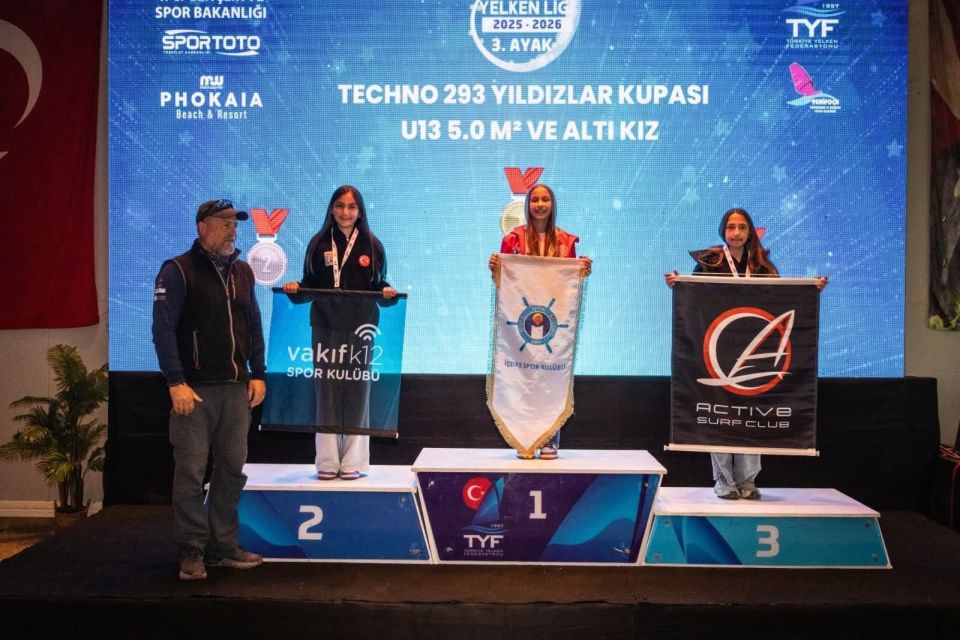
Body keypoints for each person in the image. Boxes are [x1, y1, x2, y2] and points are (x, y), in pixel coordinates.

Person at [665, 207, 827, 500]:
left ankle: (747, 481)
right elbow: (694, 297)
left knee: (751, 415)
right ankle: (723, 480)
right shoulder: (709, 263)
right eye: (731, 227)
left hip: (754, 349)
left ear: (750, 231)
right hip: (718, 352)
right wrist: (678, 284)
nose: (736, 233)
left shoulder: (762, 265)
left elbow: (782, 299)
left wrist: (812, 288)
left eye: (742, 227)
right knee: (718, 415)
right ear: (723, 231)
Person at [152, 198, 267, 580]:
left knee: (231, 470)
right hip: (194, 392)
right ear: (203, 226)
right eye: (225, 223)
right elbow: (163, 331)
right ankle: (191, 549)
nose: (233, 230)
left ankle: (223, 546)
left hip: (236, 390)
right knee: (190, 472)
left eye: (235, 224)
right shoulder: (177, 270)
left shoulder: (243, 271)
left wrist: (258, 373)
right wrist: (176, 382)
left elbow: (253, 324)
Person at [282, 185, 397, 481]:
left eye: (351, 207)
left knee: (358, 391)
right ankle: (327, 461)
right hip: (325, 326)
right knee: (327, 391)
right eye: (340, 206)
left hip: (361, 329)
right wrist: (296, 289)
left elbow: (379, 285)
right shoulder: (318, 243)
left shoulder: (373, 245)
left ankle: (353, 462)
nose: (345, 212)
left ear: (360, 212)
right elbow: (308, 285)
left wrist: (388, 292)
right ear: (332, 209)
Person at [488, 183, 592, 459]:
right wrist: (495, 268)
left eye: (545, 199)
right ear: (528, 205)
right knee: (522, 378)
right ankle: (525, 440)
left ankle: (549, 440)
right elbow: (504, 283)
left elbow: (568, 287)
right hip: (520, 326)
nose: (540, 204)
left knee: (551, 379)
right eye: (535, 200)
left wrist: (581, 270)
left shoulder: (566, 241)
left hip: (553, 326)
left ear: (553, 204)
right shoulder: (513, 239)